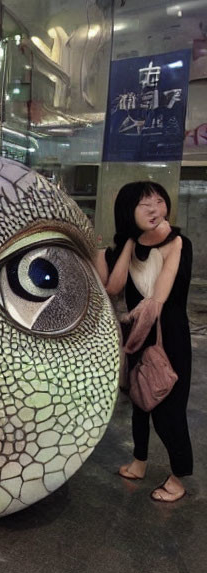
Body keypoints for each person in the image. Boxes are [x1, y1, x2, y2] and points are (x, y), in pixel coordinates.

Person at [95, 182, 192, 503]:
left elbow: (163, 296)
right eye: (144, 205)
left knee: (169, 409)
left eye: (159, 202)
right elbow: (112, 287)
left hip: (169, 335)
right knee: (139, 403)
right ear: (128, 212)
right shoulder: (127, 246)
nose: (155, 209)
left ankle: (178, 476)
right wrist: (119, 247)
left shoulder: (179, 243)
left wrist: (170, 245)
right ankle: (139, 461)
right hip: (137, 335)